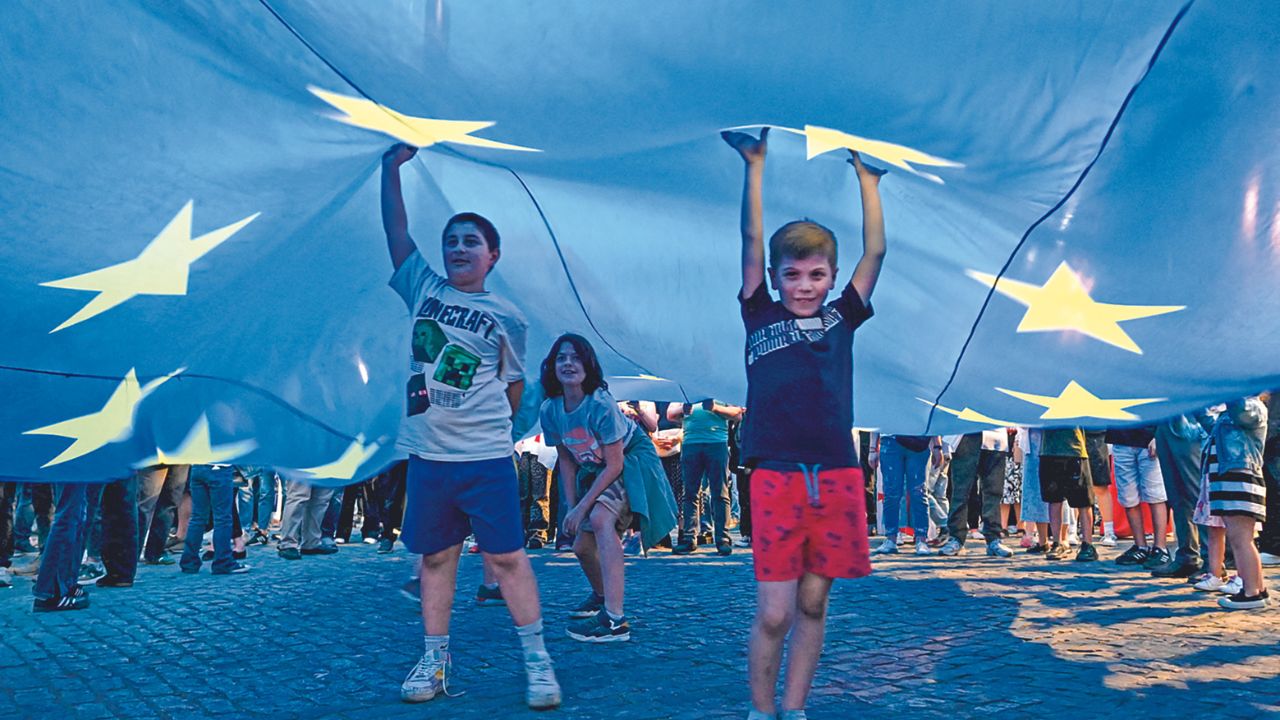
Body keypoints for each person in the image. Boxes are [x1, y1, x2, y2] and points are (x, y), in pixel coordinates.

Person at [381, 143, 559, 709]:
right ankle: (434, 660)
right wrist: (392, 171)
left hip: (483, 457)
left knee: (506, 558)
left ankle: (537, 659)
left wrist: (484, 426)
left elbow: (512, 387)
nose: (458, 247)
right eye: (451, 240)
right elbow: (397, 233)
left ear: (492, 256)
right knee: (436, 559)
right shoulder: (423, 289)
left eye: (471, 241)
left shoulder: (509, 316)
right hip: (429, 458)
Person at [723, 127, 883, 720]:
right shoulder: (758, 312)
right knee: (776, 612)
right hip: (776, 478)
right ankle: (761, 711)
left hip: (837, 478)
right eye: (792, 275)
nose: (804, 286)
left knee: (813, 604)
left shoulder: (843, 317)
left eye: (817, 275)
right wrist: (755, 165)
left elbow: (876, 255)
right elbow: (750, 237)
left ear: (832, 277)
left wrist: (868, 184)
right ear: (776, 275)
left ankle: (794, 709)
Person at [538, 334, 677, 642]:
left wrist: (583, 508)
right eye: (562, 358)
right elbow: (566, 460)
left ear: (588, 365)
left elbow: (615, 465)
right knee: (581, 547)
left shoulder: (599, 403)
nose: (569, 363)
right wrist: (572, 510)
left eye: (576, 357)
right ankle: (602, 597)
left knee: (602, 519)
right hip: (594, 468)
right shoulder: (550, 409)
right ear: (552, 366)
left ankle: (615, 620)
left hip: (631, 459)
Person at [1208, 396, 1270, 610]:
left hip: (1241, 482)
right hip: (1229, 482)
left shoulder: (1253, 408)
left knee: (1241, 539)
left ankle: (1251, 592)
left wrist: (1232, 389)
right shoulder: (1230, 412)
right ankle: (1257, 588)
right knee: (1241, 539)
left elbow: (1241, 411)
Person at [671, 399, 743, 555]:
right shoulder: (684, 392)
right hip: (691, 443)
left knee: (720, 493)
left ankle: (722, 539)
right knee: (690, 493)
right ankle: (689, 538)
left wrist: (715, 408)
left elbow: (737, 414)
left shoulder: (720, 390)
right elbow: (670, 414)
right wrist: (683, 409)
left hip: (717, 443)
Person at [1106, 426, 1169, 569]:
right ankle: (1140, 546)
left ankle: (1160, 548)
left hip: (1149, 440)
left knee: (1156, 495)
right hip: (1121, 439)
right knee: (1128, 497)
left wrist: (1159, 435)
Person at [871, 434, 936, 556]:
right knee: (891, 493)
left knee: (919, 492)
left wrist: (938, 446)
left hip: (919, 440)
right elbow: (878, 417)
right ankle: (891, 538)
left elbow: (931, 416)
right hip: (890, 439)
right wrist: (872, 448)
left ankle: (921, 538)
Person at [1039, 428, 1097, 562]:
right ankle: (1057, 543)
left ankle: (1087, 544)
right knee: (1054, 499)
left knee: (1084, 500)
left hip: (1074, 449)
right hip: (1049, 450)